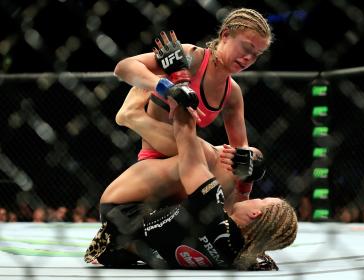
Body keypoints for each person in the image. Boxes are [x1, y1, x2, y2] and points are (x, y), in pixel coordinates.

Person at [84, 91, 298, 270]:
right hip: (120, 252)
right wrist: (254, 165)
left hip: (121, 209)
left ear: (256, 213)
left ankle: (132, 116)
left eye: (262, 200)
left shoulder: (211, 209)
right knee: (232, 168)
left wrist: (184, 103)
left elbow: (190, 149)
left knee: (212, 158)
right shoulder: (240, 258)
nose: (256, 199)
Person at [113, 8, 273, 199]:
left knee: (248, 158)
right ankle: (132, 116)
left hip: (189, 164)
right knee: (205, 153)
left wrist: (243, 197)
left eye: (257, 54)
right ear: (226, 35)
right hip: (157, 157)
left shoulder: (233, 93)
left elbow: (240, 153)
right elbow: (123, 68)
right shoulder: (192, 57)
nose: (249, 58)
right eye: (246, 48)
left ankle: (132, 115)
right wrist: (166, 88)